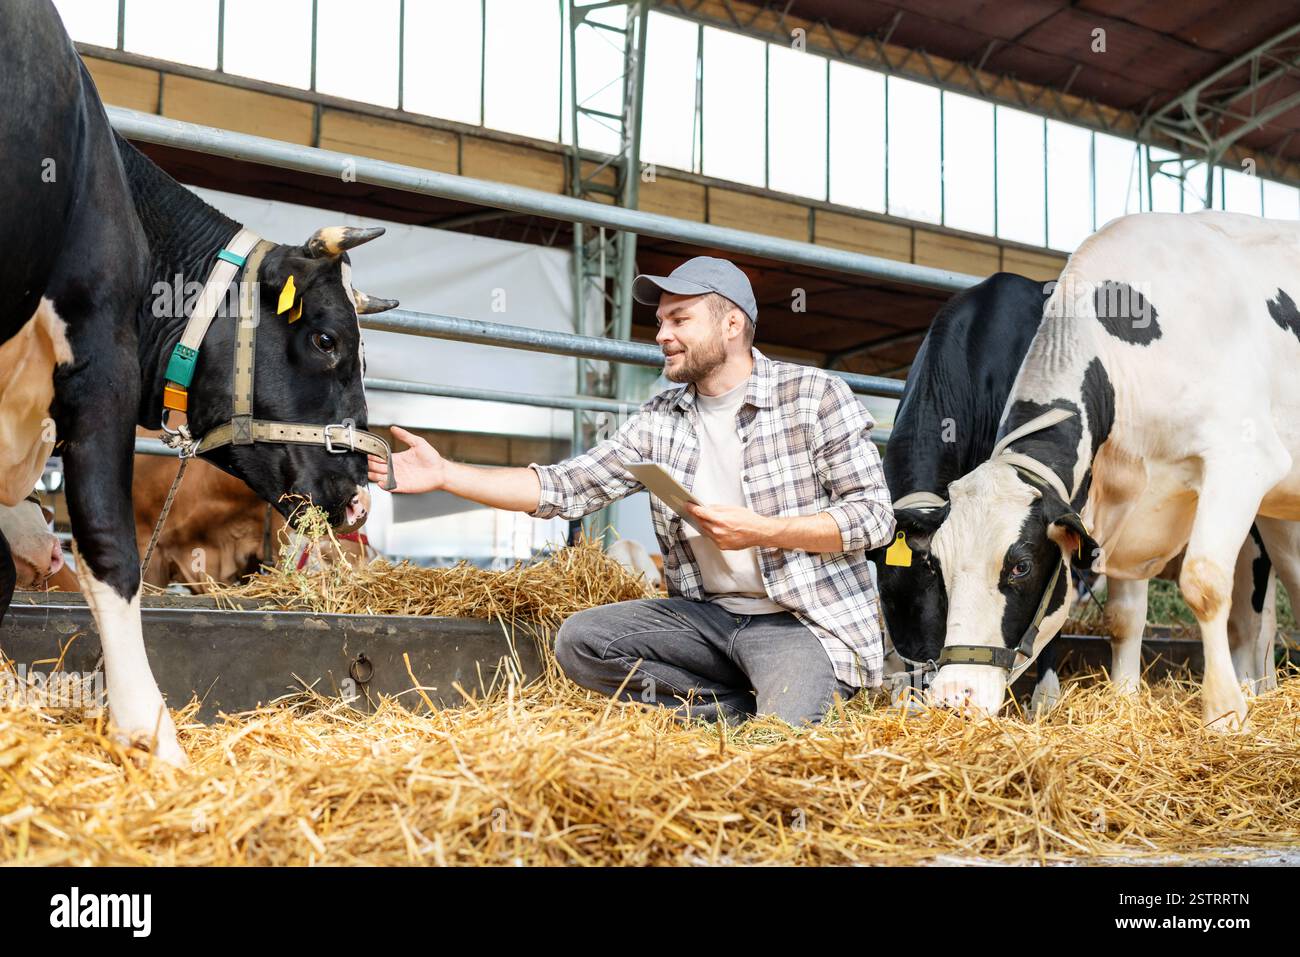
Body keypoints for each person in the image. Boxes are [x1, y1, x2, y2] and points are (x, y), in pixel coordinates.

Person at [368, 256, 894, 725]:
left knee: (780, 741)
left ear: (732, 324)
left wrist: (763, 531)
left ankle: (770, 709)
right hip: (709, 619)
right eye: (661, 321)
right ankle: (733, 712)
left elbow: (874, 519)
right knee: (582, 641)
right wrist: (446, 474)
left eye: (679, 319)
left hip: (798, 622)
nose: (662, 334)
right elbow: (565, 487)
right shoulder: (658, 419)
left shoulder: (814, 396)